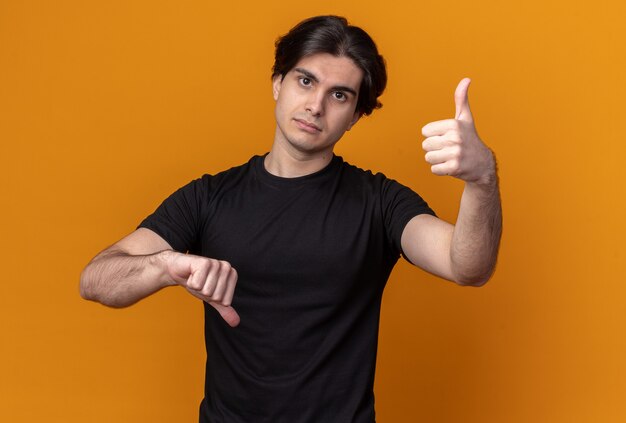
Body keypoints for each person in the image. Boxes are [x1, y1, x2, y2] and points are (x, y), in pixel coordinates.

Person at [80, 15, 501, 423]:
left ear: (356, 116)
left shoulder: (381, 201)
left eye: (340, 95)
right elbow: (96, 280)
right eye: (305, 81)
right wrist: (164, 266)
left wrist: (482, 179)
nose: (315, 106)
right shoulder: (208, 196)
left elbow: (467, 266)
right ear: (278, 84)